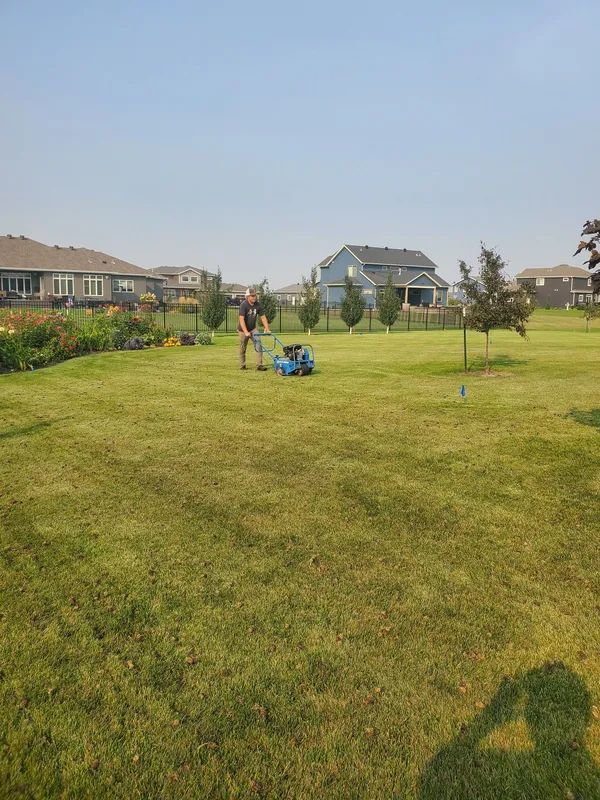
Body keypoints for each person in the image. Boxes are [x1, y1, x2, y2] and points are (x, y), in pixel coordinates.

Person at [238, 287, 271, 370]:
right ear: (247, 297)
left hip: (253, 329)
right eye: (252, 296)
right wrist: (245, 332)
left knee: (259, 344)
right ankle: (242, 365)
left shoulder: (258, 304)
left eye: (255, 295)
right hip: (242, 330)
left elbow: (263, 317)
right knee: (243, 348)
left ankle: (259, 365)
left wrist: (267, 328)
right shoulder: (244, 305)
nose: (254, 297)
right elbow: (241, 320)